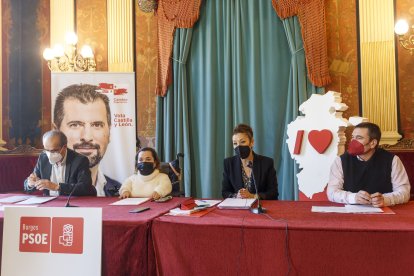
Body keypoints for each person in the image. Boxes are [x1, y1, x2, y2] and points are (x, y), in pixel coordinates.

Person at [53, 84, 121, 197]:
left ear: (109, 131)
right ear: (56, 131)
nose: (87, 136)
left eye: (97, 125)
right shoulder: (46, 185)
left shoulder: (119, 190)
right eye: (75, 125)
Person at [327, 122, 410, 207]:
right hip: (351, 212)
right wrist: (354, 197)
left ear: (372, 143)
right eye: (353, 137)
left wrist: (385, 199)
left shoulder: (392, 160)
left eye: (359, 138)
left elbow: (404, 192)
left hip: (383, 213)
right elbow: (332, 192)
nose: (353, 141)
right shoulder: (341, 160)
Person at [24, 130, 96, 196]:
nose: (49, 154)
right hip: (49, 203)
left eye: (53, 151)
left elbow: (84, 188)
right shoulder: (43, 158)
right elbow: (29, 183)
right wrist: (30, 184)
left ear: (64, 148)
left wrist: (56, 187)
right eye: (46, 150)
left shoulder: (79, 160)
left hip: (71, 203)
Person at [222, 124, 278, 199]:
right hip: (238, 208)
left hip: (260, 208)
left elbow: (273, 192)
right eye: (235, 143)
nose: (238, 146)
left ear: (252, 142)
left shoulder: (267, 163)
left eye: (242, 142)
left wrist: (253, 196)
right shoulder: (228, 163)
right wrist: (235, 196)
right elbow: (225, 192)